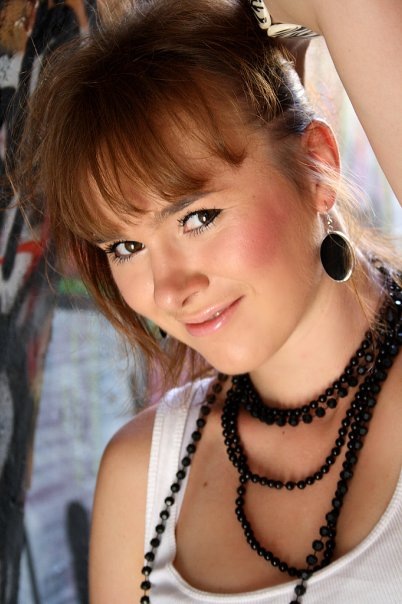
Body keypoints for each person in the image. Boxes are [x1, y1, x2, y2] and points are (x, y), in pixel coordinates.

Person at [16, 0, 401, 602]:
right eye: (126, 246)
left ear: (317, 166)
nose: (169, 288)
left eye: (197, 218)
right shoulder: (140, 476)